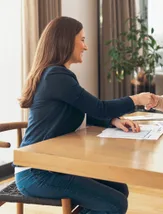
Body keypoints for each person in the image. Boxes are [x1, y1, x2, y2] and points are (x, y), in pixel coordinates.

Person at [15, 16, 155, 214]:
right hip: (37, 171)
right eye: (81, 40)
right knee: (115, 203)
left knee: (119, 189)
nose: (86, 46)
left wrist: (112, 120)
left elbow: (81, 112)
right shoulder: (56, 76)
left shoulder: (55, 74)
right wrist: (137, 99)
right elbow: (99, 107)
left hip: (51, 165)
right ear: (66, 41)